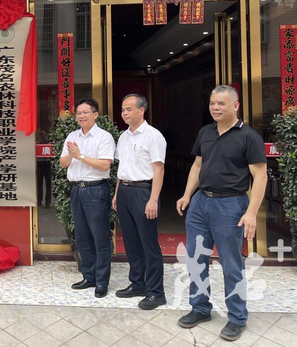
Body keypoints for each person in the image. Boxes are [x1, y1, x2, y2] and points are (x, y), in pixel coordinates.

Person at [176, 85, 267, 342]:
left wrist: (251, 213)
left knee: (231, 263)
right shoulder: (205, 132)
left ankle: (237, 318)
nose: (215, 107)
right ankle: (200, 308)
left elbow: (260, 177)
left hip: (231, 204)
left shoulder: (249, 137)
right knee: (196, 259)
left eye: (221, 103)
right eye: (212, 103)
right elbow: (197, 165)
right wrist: (187, 195)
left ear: (236, 106)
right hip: (200, 203)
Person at [113, 93, 167, 310]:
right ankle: (137, 284)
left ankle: (156, 292)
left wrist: (154, 199)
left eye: (129, 109)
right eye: (123, 110)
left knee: (148, 244)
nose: (125, 113)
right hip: (125, 191)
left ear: (142, 110)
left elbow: (159, 170)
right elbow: (122, 168)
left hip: (144, 192)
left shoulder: (153, 136)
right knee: (131, 242)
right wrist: (117, 193)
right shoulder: (124, 136)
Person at [59, 98, 115, 298]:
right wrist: (72, 155)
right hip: (77, 190)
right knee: (82, 236)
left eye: (85, 112)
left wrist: (80, 156)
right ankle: (89, 276)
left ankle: (102, 281)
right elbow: (63, 163)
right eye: (78, 113)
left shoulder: (104, 137)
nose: (81, 116)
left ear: (95, 115)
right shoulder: (72, 136)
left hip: (95, 190)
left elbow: (104, 165)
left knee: (100, 236)